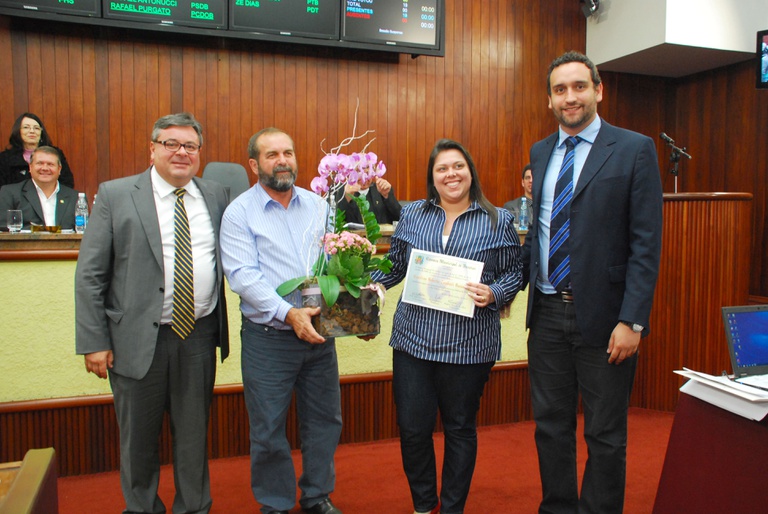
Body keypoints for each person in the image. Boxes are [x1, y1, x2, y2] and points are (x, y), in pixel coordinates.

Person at [521, 51, 663, 514]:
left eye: (579, 86)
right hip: (545, 316)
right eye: (560, 90)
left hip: (606, 321)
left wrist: (633, 321)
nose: (570, 97)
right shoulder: (541, 152)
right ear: (549, 99)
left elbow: (646, 244)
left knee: (604, 433)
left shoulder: (634, 149)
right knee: (550, 426)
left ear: (599, 90)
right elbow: (541, 230)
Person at [75, 113, 230, 514]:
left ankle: (194, 507)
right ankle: (141, 508)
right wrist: (94, 341)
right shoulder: (116, 194)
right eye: (171, 144)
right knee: (138, 441)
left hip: (197, 336)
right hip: (135, 340)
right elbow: (91, 275)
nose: (181, 152)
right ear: (153, 148)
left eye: (190, 146)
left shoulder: (215, 195)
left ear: (199, 153)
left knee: (194, 438)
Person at [370, 139, 522, 514]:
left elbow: (515, 270)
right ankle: (425, 505)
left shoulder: (497, 219)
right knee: (413, 429)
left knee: (459, 428)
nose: (451, 174)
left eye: (458, 167)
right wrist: (370, 285)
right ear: (432, 177)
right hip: (413, 341)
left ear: (470, 172)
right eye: (442, 169)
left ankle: (452, 508)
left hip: (469, 345)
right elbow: (396, 265)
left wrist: (495, 291)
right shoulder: (413, 215)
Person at [220, 127, 344, 514]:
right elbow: (243, 276)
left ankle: (317, 496)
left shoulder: (319, 206)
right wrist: (289, 314)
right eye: (272, 155)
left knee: (324, 422)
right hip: (269, 338)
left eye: (288, 152)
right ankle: (274, 504)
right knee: (269, 428)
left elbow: (332, 264)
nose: (283, 161)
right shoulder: (239, 212)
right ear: (255, 164)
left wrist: (352, 308)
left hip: (320, 336)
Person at [0, 146, 79, 230]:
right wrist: (42, 231)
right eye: (40, 163)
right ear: (30, 167)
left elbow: (83, 229)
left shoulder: (75, 197)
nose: (45, 168)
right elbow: (3, 228)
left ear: (59, 169)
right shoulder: (10, 193)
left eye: (50, 164)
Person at [0, 112, 75, 189]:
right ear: (18, 131)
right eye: (26, 127)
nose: (32, 131)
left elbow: (67, 183)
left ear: (41, 133)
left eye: (36, 128)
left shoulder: (54, 154)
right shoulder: (5, 158)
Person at [336, 174, 401, 225]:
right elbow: (335, 221)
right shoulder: (339, 191)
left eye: (367, 173)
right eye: (359, 173)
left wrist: (387, 196)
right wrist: (346, 197)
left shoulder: (381, 188)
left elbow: (400, 217)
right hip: (351, 239)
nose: (364, 178)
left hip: (381, 240)